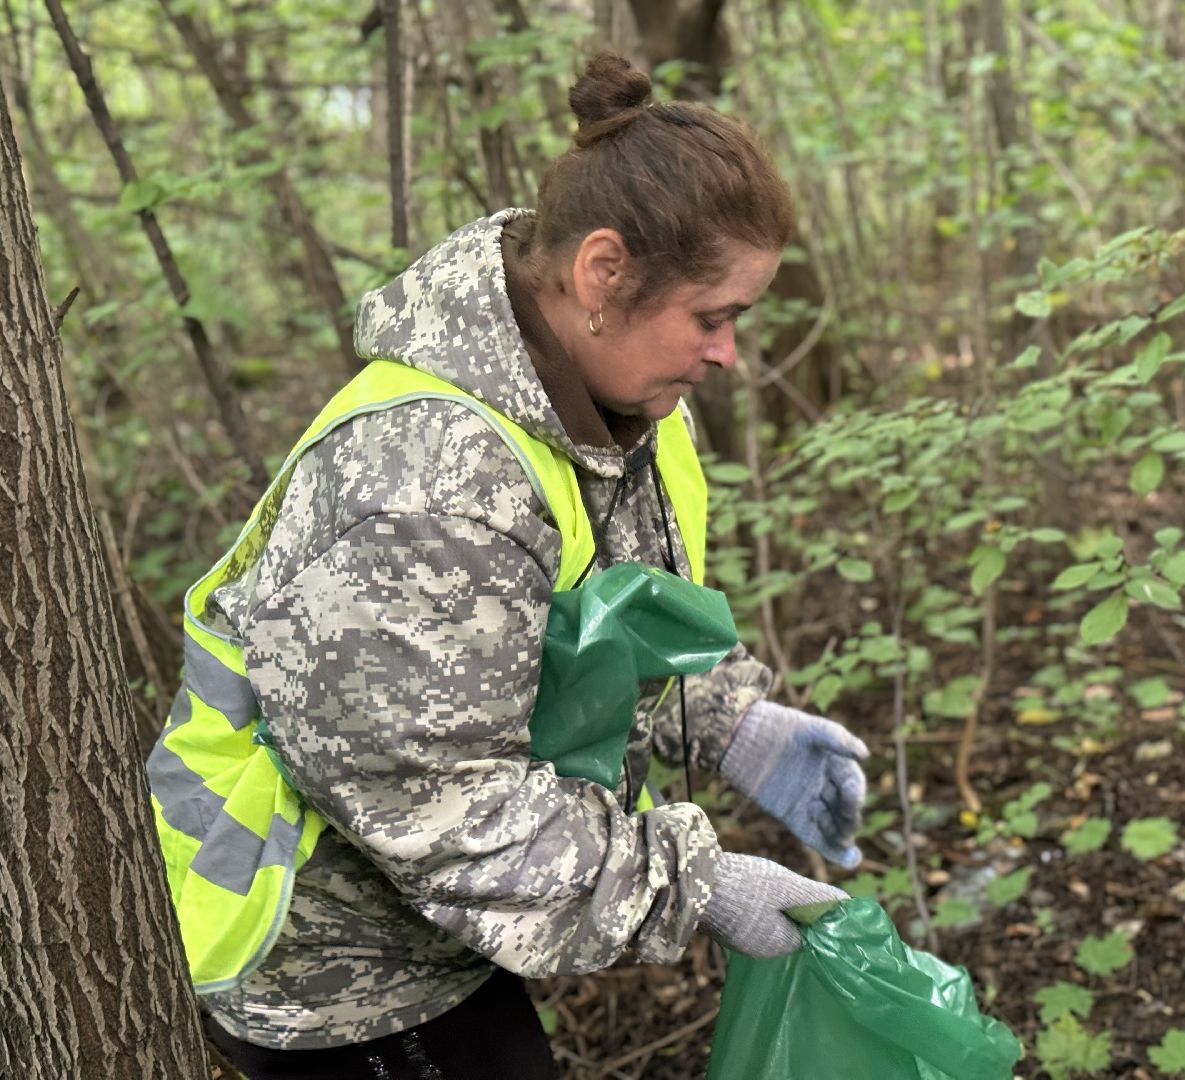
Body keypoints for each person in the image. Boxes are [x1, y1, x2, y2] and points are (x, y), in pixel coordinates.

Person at [147, 52, 868, 1079]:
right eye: (713, 317)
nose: (727, 356)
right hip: (326, 959)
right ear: (602, 273)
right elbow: (442, 805)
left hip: (444, 927)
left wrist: (735, 723)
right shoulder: (422, 490)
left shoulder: (617, 397)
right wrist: (697, 888)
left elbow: (596, 630)